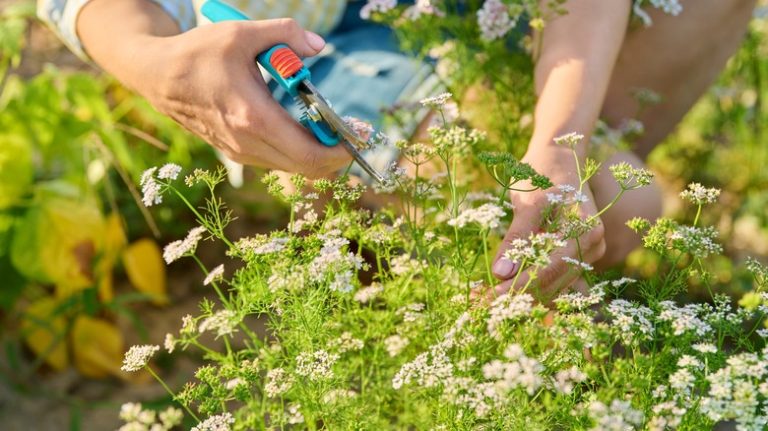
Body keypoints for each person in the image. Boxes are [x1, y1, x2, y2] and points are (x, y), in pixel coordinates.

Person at [39, 0, 756, 298]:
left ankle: (539, 219)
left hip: (473, 18)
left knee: (605, 190)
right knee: (626, 199)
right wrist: (148, 59)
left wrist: (556, 142)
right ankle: (431, 227)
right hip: (313, 46)